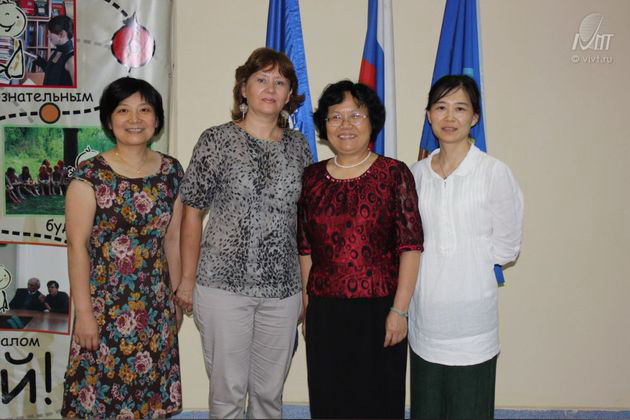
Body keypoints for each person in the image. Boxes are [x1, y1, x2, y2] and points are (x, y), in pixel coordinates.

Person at [176, 47, 312, 419]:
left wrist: (306, 290)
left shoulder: (299, 148)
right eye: (261, 80)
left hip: (282, 291)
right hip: (222, 287)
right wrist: (187, 279)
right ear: (243, 89)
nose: (270, 88)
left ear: (289, 94)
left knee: (269, 396)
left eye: (280, 82)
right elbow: (192, 212)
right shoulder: (216, 140)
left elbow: (305, 225)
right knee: (228, 395)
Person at [297, 80, 423, 419]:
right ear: (324, 125)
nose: (346, 125)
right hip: (326, 312)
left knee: (377, 403)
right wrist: (309, 311)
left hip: (379, 312)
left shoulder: (393, 173)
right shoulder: (311, 178)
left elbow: (411, 247)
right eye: (335, 116)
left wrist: (399, 311)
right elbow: (306, 250)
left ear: (372, 121)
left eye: (355, 115)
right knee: (330, 402)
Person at [61, 77, 184, 418]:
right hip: (103, 309)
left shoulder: (171, 171)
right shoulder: (89, 176)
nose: (135, 119)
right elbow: (77, 247)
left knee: (149, 403)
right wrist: (84, 314)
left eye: (144, 110)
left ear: (156, 119)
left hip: (155, 309)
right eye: (123, 110)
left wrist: (175, 297)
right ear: (109, 119)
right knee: (102, 402)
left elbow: (172, 239)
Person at [408, 75, 524, 419]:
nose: (449, 117)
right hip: (426, 321)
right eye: (440, 107)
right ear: (429, 115)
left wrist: (468, 264)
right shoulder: (415, 175)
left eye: (460, 109)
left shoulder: (493, 172)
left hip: (473, 324)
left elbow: (507, 248)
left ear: (475, 118)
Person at [34, 15, 75, 86]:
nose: (48, 36)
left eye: (50, 32)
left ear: (61, 34)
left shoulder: (72, 59)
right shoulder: (55, 52)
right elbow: (54, 74)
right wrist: (41, 62)